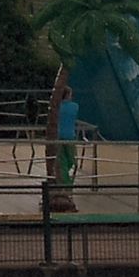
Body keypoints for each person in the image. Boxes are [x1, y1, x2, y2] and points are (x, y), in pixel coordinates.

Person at [53, 86, 81, 214]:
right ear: (68, 95)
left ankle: (63, 184)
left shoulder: (57, 107)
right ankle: (67, 185)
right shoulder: (74, 106)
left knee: (61, 161)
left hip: (59, 136)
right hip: (70, 136)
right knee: (72, 161)